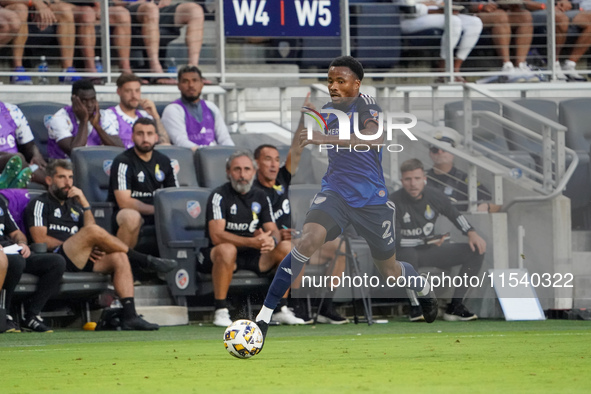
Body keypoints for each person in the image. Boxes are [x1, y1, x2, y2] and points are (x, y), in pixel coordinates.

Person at [253, 56, 438, 350]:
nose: (334, 86)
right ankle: (262, 319)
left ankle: (423, 287)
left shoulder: (368, 106)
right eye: (330, 81)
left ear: (356, 84)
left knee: (388, 271)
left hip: (371, 201)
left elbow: (373, 139)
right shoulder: (327, 111)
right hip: (336, 193)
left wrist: (323, 136)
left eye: (340, 81)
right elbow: (303, 144)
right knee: (306, 241)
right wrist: (306, 125)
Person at [25, 160, 178, 330]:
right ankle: (143, 260)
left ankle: (130, 315)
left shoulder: (75, 206)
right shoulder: (40, 203)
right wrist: (81, 243)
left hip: (80, 258)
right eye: (61, 177)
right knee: (91, 233)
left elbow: (90, 228)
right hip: (56, 258)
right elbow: (40, 240)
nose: (67, 182)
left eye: (70, 177)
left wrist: (85, 203)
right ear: (49, 180)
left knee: (118, 257)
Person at [198, 150, 301, 327]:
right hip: (221, 255)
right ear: (228, 172)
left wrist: (272, 241)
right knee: (227, 249)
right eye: (237, 170)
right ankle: (221, 310)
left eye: (247, 169)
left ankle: (279, 309)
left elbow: (273, 230)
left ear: (253, 172)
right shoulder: (219, 195)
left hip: (254, 255)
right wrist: (251, 242)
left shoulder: (260, 196)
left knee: (288, 248)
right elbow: (216, 236)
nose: (242, 175)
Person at [252, 141, 348, 325]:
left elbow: (296, 153)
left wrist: (306, 120)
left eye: (276, 160)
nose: (273, 164)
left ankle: (324, 306)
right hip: (272, 246)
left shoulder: (282, 179)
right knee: (298, 250)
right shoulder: (253, 189)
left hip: (295, 238)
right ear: (256, 163)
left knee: (340, 248)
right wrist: (278, 234)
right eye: (267, 159)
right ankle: (294, 307)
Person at [391, 158, 487, 322]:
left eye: (417, 178)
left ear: (424, 179)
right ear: (402, 181)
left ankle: (455, 307)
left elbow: (454, 214)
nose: (413, 183)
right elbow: (395, 240)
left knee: (475, 251)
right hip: (404, 252)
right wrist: (425, 242)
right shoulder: (393, 201)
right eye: (408, 179)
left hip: (429, 250)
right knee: (407, 256)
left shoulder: (435, 195)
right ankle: (417, 307)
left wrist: (471, 232)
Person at [107, 117, 178, 261]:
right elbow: (124, 202)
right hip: (123, 214)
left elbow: (174, 196)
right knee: (132, 217)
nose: (145, 138)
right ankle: (122, 266)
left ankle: (171, 270)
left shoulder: (164, 161)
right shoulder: (123, 161)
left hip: (157, 214)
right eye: (140, 134)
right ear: (132, 137)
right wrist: (157, 210)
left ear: (156, 137)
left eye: (150, 134)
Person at [0, 193, 67, 333]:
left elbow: (16, 233)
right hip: (4, 257)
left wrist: (22, 243)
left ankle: (32, 315)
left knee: (56, 262)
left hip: (10, 249)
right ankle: (4, 313)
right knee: (16, 261)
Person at [112, 0, 204, 84]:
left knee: (195, 10)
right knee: (150, 9)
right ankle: (156, 70)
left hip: (156, 8)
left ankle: (193, 70)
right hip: (129, 8)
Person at [399, 1, 483, 82]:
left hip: (437, 13)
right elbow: (408, 9)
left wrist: (448, 7)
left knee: (475, 22)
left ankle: (456, 69)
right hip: (409, 19)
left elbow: (439, 3)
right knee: (453, 21)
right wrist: (433, 9)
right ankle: (443, 69)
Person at [1, 0, 77, 85]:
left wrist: (44, 4)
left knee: (64, 10)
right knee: (21, 9)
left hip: (37, 7)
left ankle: (67, 71)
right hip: (12, 7)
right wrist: (34, 3)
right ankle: (17, 70)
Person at [426, 127, 501, 213]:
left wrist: (485, 207)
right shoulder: (421, 178)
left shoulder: (464, 180)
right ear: (430, 153)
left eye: (444, 149)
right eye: (435, 150)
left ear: (453, 152)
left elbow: (494, 203)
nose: (440, 152)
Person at [161, 65, 234, 150]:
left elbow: (224, 139)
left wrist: (233, 153)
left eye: (195, 80)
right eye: (185, 81)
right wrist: (207, 155)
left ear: (202, 84)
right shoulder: (173, 110)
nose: (191, 85)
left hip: (214, 158)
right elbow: (181, 142)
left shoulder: (211, 107)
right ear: (178, 86)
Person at [46, 79, 122, 159]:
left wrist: (97, 126)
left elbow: (119, 149)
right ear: (74, 100)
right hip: (65, 166)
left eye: (93, 100)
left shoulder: (104, 116)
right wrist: (84, 121)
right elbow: (75, 153)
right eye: (84, 101)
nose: (89, 105)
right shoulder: (59, 119)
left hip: (95, 165)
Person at [469, 0, 539, 82]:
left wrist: (511, 4)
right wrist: (481, 6)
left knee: (525, 16)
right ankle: (507, 66)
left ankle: (520, 66)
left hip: (502, 10)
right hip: (475, 13)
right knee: (500, 16)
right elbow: (467, 4)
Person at [525, 0, 590, 81]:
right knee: (560, 18)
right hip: (532, 11)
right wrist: (546, 7)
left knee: (589, 17)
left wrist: (564, 2)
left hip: (558, 8)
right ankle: (554, 64)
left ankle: (570, 65)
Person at [105, 73, 171, 148]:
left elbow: (165, 143)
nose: (134, 95)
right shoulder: (110, 114)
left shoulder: (145, 115)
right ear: (119, 92)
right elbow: (114, 145)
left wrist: (155, 116)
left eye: (137, 91)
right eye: (128, 91)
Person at [0, 101, 47, 187]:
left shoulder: (11, 110)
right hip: (11, 161)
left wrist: (36, 154)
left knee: (54, 175)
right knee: (16, 159)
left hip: (17, 164)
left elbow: (29, 144)